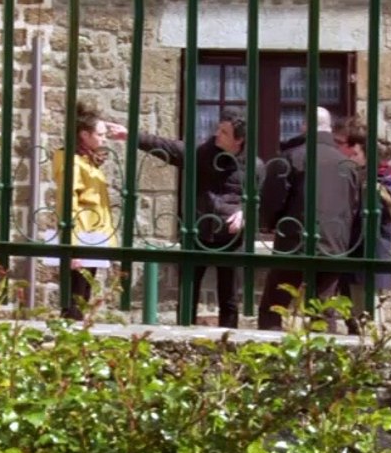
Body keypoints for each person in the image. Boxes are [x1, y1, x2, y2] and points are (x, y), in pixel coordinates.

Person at [105, 107, 263, 328]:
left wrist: (244, 213)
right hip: (198, 233)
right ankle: (184, 330)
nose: (217, 134)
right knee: (188, 293)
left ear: (239, 139)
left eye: (224, 132)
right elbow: (167, 146)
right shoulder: (201, 153)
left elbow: (260, 200)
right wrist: (131, 135)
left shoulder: (255, 166)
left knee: (229, 299)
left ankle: (228, 340)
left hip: (231, 240)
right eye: (218, 129)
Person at [257, 107, 361, 331]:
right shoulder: (347, 164)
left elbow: (272, 199)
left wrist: (269, 224)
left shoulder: (292, 157)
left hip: (295, 243)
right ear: (329, 128)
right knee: (322, 311)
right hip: (334, 244)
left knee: (274, 307)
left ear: (304, 126)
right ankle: (324, 351)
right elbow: (352, 205)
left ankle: (270, 351)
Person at [334, 117, 391, 332]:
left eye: (356, 153)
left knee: (367, 315)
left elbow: (368, 220)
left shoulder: (377, 183)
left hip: (367, 252)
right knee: (358, 313)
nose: (351, 157)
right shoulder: (370, 178)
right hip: (359, 254)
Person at [50, 101, 117, 321]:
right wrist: (73, 245)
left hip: (94, 235)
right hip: (82, 235)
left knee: (83, 294)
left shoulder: (88, 160)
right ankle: (69, 334)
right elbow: (68, 202)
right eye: (100, 134)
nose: (104, 139)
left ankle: (75, 332)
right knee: (75, 297)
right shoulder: (72, 162)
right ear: (84, 135)